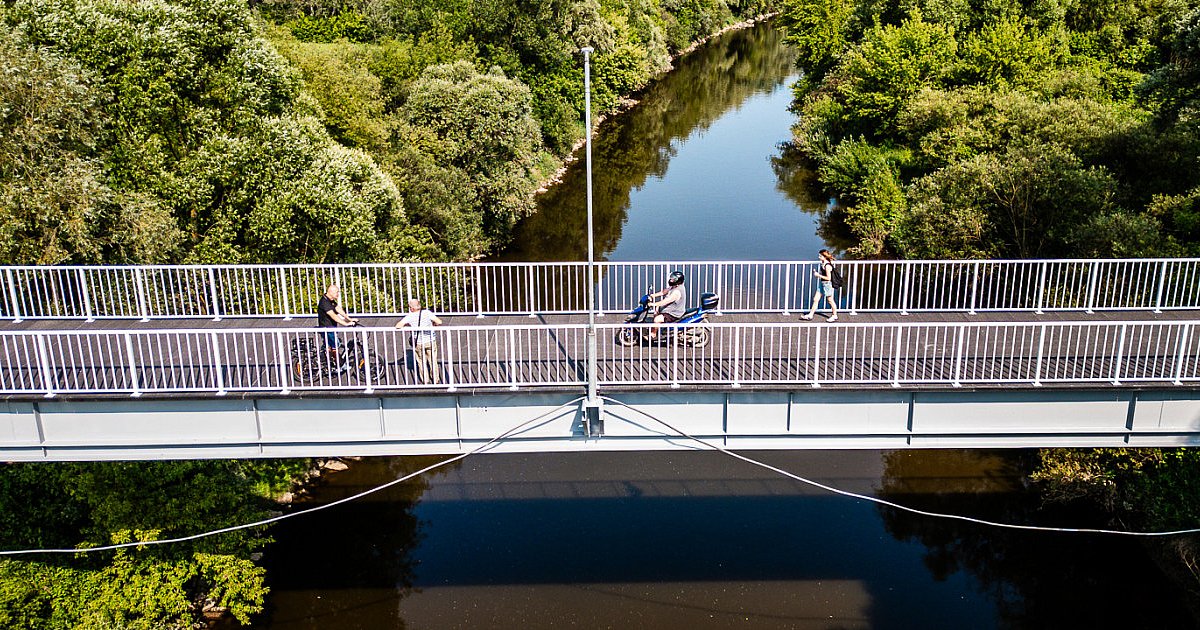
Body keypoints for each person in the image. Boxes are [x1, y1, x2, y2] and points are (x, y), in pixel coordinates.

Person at [395, 298, 443, 384]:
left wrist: (408, 325)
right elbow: (439, 322)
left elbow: (398, 325)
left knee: (421, 361)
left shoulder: (410, 316)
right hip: (430, 340)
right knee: (433, 360)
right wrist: (433, 324)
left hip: (418, 342)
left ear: (412, 308)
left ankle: (425, 380)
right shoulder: (427, 313)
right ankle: (436, 379)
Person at [317, 283, 358, 367]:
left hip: (331, 327)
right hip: (327, 328)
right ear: (331, 292)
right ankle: (339, 365)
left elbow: (338, 309)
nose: (338, 294)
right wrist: (346, 324)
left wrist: (349, 318)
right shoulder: (324, 302)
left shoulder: (330, 300)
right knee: (335, 345)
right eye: (337, 292)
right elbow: (334, 316)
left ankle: (330, 359)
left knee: (333, 345)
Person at [800, 250, 839, 322]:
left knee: (830, 300)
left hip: (828, 285)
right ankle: (810, 315)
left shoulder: (827, 266)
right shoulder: (823, 263)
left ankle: (834, 315)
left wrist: (818, 275)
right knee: (816, 299)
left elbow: (828, 278)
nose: (819, 257)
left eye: (820, 256)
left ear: (824, 257)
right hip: (822, 284)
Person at [648, 270, 686, 342]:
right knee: (656, 310)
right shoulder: (674, 286)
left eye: (673, 279)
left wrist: (653, 304)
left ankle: (653, 335)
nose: (671, 280)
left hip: (674, 313)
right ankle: (660, 329)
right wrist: (652, 295)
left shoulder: (677, 292)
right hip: (669, 309)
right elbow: (664, 291)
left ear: (677, 281)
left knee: (657, 319)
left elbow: (665, 301)